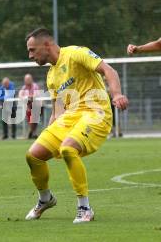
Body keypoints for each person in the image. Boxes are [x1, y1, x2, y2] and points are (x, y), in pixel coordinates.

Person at [24, 28, 128, 223]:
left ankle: (84, 207)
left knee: (68, 149)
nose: (30, 55)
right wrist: (48, 133)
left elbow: (109, 70)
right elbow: (57, 110)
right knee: (34, 155)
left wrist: (117, 94)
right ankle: (45, 199)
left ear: (46, 44)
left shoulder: (76, 53)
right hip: (71, 117)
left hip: (96, 113)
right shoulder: (51, 75)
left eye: (32, 50)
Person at [19, 74, 41, 139]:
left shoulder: (35, 86)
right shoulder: (23, 88)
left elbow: (37, 94)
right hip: (28, 106)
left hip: (36, 105)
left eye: (29, 79)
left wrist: (30, 97)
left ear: (31, 79)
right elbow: (20, 95)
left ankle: (32, 132)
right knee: (31, 120)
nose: (28, 81)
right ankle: (32, 133)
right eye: (26, 79)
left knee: (35, 120)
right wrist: (25, 97)